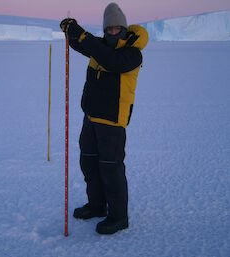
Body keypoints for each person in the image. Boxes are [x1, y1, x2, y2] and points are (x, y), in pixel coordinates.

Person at [60, 2, 148, 235]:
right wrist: (72, 32)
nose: (112, 32)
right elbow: (85, 46)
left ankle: (119, 217)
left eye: (116, 28)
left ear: (124, 28)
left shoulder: (132, 54)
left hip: (112, 122)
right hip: (91, 117)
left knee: (111, 170)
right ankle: (97, 205)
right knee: (89, 163)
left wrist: (84, 37)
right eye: (108, 28)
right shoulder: (100, 46)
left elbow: (111, 60)